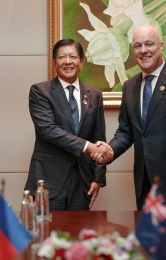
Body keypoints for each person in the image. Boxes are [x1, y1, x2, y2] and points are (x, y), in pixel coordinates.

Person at [93, 25, 166, 210]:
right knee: (147, 238)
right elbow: (126, 131)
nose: (143, 50)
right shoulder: (129, 86)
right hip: (144, 182)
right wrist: (109, 150)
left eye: (149, 44)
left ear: (161, 46)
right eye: (138, 46)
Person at [24, 39, 110, 210]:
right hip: (48, 181)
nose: (68, 61)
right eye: (62, 57)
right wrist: (88, 147)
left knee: (80, 234)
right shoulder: (40, 91)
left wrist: (98, 178)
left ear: (82, 62)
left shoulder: (94, 94)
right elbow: (48, 130)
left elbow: (99, 136)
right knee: (46, 233)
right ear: (54, 62)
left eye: (73, 57)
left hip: (82, 181)